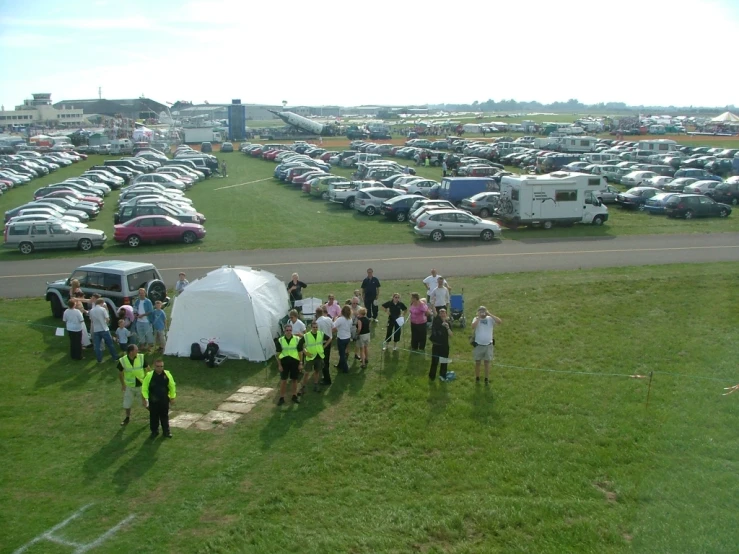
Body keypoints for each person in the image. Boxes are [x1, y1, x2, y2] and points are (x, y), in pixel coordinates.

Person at [141, 359, 176, 439]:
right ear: (154, 366)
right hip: (153, 400)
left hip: (164, 400)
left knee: (164, 416)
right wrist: (145, 398)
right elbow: (144, 387)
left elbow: (172, 386)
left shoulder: (167, 374)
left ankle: (166, 432)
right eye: (158, 366)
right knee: (153, 416)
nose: (160, 368)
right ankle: (154, 431)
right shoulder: (149, 375)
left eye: (161, 366)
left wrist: (172, 397)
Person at [117, 344, 150, 426]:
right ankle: (127, 418)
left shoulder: (141, 357)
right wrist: (123, 385)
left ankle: (155, 414)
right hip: (129, 386)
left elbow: (148, 369)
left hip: (140, 386)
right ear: (131, 352)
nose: (138, 351)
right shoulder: (123, 360)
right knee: (127, 403)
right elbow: (120, 374)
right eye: (136, 350)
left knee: (145, 403)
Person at [471, 306, 502, 385]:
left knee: (487, 362)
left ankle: (486, 379)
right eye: (481, 311)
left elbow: (499, 321)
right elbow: (473, 326)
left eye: (483, 311)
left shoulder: (490, 319)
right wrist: (478, 317)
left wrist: (489, 314)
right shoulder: (476, 319)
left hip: (488, 345)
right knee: (477, 362)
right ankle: (477, 378)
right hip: (478, 345)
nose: (482, 313)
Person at [275, 323, 304, 405]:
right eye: (287, 330)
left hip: (295, 362)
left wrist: (300, 363)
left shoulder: (297, 339)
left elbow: (300, 352)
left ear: (292, 330)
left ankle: (294, 396)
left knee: (294, 380)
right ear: (284, 331)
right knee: (283, 380)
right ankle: (281, 397)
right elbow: (278, 354)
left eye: (290, 330)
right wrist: (279, 365)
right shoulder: (280, 340)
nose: (288, 332)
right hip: (284, 363)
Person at [300, 321, 331, 394]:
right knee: (307, 372)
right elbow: (299, 345)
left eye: (316, 327)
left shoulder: (321, 333)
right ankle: (303, 386)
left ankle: (316, 385)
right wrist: (305, 352)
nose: (315, 328)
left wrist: (324, 346)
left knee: (317, 371)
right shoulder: (306, 336)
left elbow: (329, 339)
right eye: (314, 327)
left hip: (319, 356)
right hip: (310, 357)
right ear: (311, 328)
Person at [89, 298, 118, 363]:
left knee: (97, 346)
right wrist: (107, 323)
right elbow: (107, 319)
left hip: (96, 330)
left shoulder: (91, 310)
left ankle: (99, 360)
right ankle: (115, 357)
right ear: (101, 303)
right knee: (110, 344)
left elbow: (91, 320)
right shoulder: (103, 309)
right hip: (104, 329)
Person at [429, 308, 453, 381]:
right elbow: (434, 312)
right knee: (434, 361)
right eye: (441, 313)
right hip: (436, 345)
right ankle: (432, 377)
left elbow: (451, 335)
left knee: (444, 361)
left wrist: (447, 328)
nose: (443, 315)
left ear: (446, 314)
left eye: (444, 313)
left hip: (445, 345)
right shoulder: (436, 322)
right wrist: (433, 304)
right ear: (439, 315)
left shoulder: (448, 323)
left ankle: (442, 375)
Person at [315, 307, 334, 385]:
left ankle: (327, 379)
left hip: (322, 343)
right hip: (329, 341)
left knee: (323, 362)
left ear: (316, 314)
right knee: (326, 360)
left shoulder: (317, 322)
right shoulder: (328, 319)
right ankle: (326, 376)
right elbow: (333, 327)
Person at [333, 305, 353, 373]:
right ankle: (339, 365)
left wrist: (335, 318)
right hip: (347, 337)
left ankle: (345, 368)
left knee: (342, 354)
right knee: (342, 352)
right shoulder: (350, 319)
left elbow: (333, 325)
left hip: (341, 338)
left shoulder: (340, 319)